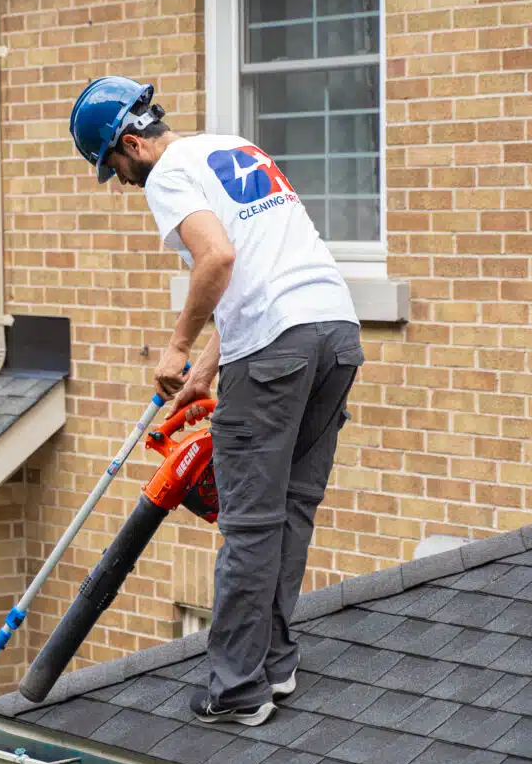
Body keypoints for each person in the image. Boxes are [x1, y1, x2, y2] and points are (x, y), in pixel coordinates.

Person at [69, 76, 363, 727]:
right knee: (289, 511)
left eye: (114, 169)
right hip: (334, 334)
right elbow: (259, 274)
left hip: (276, 351)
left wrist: (175, 347)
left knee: (250, 523)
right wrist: (205, 370)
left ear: (127, 143)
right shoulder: (231, 147)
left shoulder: (169, 172)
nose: (121, 182)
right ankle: (276, 666)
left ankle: (235, 691)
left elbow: (217, 259)